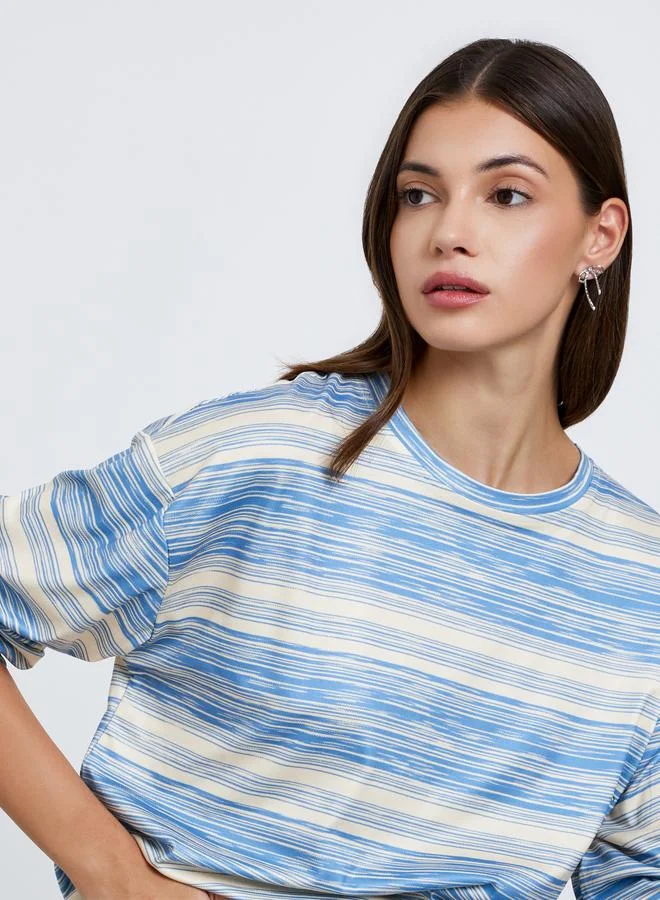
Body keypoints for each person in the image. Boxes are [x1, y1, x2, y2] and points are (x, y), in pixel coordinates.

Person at [1, 36, 658, 900]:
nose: (449, 233)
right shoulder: (260, 458)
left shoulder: (640, 580)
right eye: (419, 195)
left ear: (600, 235)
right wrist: (115, 875)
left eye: (506, 195)